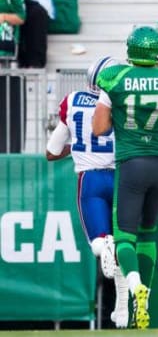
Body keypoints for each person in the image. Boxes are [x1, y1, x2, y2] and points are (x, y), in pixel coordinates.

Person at [91, 26, 158, 330]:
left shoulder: (115, 78)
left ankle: (135, 284)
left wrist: (115, 109)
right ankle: (145, 299)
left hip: (130, 162)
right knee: (149, 233)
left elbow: (99, 128)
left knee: (125, 235)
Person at [46, 56, 129, 328]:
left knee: (99, 242)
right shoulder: (124, 103)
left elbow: (52, 152)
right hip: (121, 178)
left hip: (90, 179)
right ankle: (122, 310)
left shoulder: (72, 101)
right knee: (123, 247)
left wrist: (77, 148)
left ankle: (103, 247)